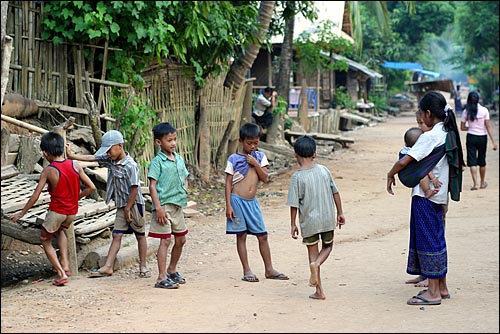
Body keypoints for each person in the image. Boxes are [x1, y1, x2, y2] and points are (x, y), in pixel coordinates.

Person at [387, 91, 465, 306]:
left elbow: (405, 161)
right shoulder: (448, 133)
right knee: (438, 239)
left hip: (425, 198)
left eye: (421, 114)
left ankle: (432, 293)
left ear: (429, 113)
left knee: (428, 240)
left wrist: (390, 174)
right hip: (441, 197)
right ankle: (442, 287)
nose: (421, 118)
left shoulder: (430, 137)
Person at [10, 131, 96, 286]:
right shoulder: (75, 165)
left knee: (45, 239)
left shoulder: (49, 170)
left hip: (56, 212)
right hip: (71, 212)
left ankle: (61, 273)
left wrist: (21, 213)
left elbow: (35, 196)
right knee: (61, 231)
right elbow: (91, 187)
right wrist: (76, 198)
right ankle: (66, 264)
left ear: (45, 153)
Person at [66, 130, 150, 279]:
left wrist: (129, 209)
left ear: (119, 146)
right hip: (121, 205)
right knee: (116, 234)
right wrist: (72, 155)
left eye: (109, 150)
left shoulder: (131, 165)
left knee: (140, 235)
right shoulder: (110, 159)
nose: (108, 153)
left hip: (134, 204)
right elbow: (92, 158)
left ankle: (143, 266)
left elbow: (135, 188)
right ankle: (108, 266)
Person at [225, 122, 289, 283]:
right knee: (241, 236)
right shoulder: (233, 159)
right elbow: (228, 183)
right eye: (249, 143)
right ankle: (247, 270)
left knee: (263, 236)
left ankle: (269, 269)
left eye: (256, 143)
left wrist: (254, 163)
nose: (253, 146)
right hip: (237, 201)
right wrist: (228, 205)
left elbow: (266, 178)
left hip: (252, 203)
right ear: (241, 141)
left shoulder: (260, 157)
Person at [286, 135, 345, 300]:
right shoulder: (324, 170)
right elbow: (335, 192)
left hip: (309, 223)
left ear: (295, 155)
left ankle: (319, 291)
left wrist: (293, 224)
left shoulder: (297, 178)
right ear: (315, 154)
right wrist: (340, 212)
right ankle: (317, 264)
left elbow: (294, 204)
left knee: (313, 253)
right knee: (327, 247)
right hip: (327, 219)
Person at [148, 122, 189, 289]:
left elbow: (185, 176)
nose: (173, 143)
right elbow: (152, 185)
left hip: (177, 206)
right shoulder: (157, 162)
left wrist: (185, 190)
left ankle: (172, 269)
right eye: (169, 140)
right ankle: (161, 277)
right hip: (163, 207)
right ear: (159, 142)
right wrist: (158, 208)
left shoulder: (178, 158)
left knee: (181, 239)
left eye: (174, 139)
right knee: (165, 241)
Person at [460, 91, 498, 190]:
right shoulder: (484, 110)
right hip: (482, 137)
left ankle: (475, 184)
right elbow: (488, 126)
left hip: (471, 137)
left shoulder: (466, 111)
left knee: (472, 161)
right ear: (478, 99)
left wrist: (471, 128)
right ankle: (482, 183)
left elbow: (462, 127)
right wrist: (494, 142)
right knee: (482, 160)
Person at [400, 127, 441, 200]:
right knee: (423, 175)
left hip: (405, 174)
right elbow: (426, 167)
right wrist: (434, 178)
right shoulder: (417, 153)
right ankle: (427, 191)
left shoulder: (404, 151)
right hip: (413, 172)